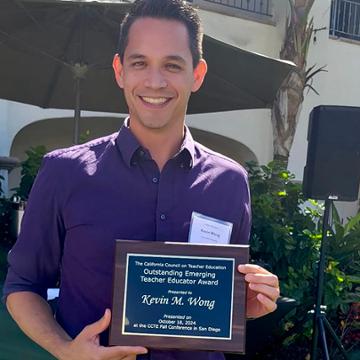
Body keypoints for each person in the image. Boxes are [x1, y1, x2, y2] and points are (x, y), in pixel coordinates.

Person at [2, 1, 280, 359]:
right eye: (139, 63)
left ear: (197, 74)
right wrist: (65, 350)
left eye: (172, 65)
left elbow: (216, 298)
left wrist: (246, 304)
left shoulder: (230, 182)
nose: (154, 81)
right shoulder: (64, 173)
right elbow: (23, 286)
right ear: (120, 71)